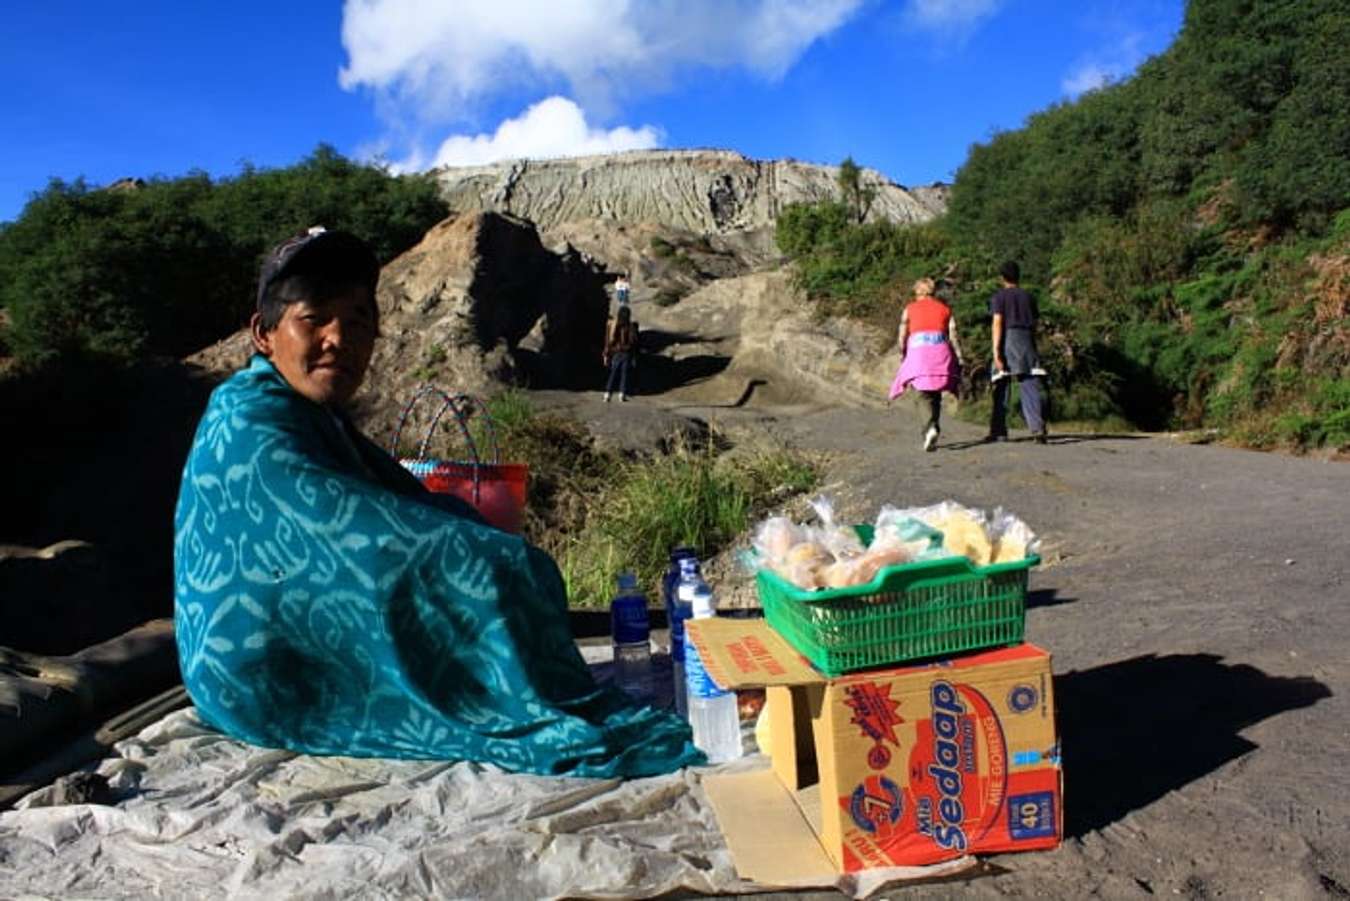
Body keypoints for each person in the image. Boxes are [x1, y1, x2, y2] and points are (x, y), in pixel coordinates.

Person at [173, 226, 701, 777]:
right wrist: (496, 561)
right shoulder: (250, 421)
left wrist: (471, 528)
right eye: (314, 318)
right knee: (498, 568)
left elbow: (392, 499)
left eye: (357, 321)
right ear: (264, 333)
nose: (340, 338)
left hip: (275, 656)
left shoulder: (303, 412)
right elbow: (345, 531)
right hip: (260, 678)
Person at [889, 277, 963, 451]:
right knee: (935, 391)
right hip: (940, 352)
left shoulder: (910, 309)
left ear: (920, 293)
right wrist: (959, 357)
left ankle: (929, 428)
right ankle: (934, 427)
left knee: (921, 393)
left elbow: (902, 334)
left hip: (919, 352)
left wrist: (903, 352)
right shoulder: (945, 309)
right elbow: (953, 335)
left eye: (915, 293)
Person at [987, 260, 1048, 444]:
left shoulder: (999, 297)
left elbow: (997, 322)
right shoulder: (1029, 297)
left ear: (1002, 278)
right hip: (1027, 338)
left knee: (1001, 382)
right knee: (1029, 381)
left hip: (1009, 337)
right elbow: (1036, 323)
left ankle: (999, 430)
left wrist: (996, 351)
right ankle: (1037, 427)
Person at [602, 305, 639, 402]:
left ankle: (607, 393)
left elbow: (608, 340)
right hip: (626, 352)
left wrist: (607, 353)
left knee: (613, 373)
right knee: (624, 374)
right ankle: (621, 394)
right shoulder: (630, 326)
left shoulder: (612, 324)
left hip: (615, 352)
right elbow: (633, 341)